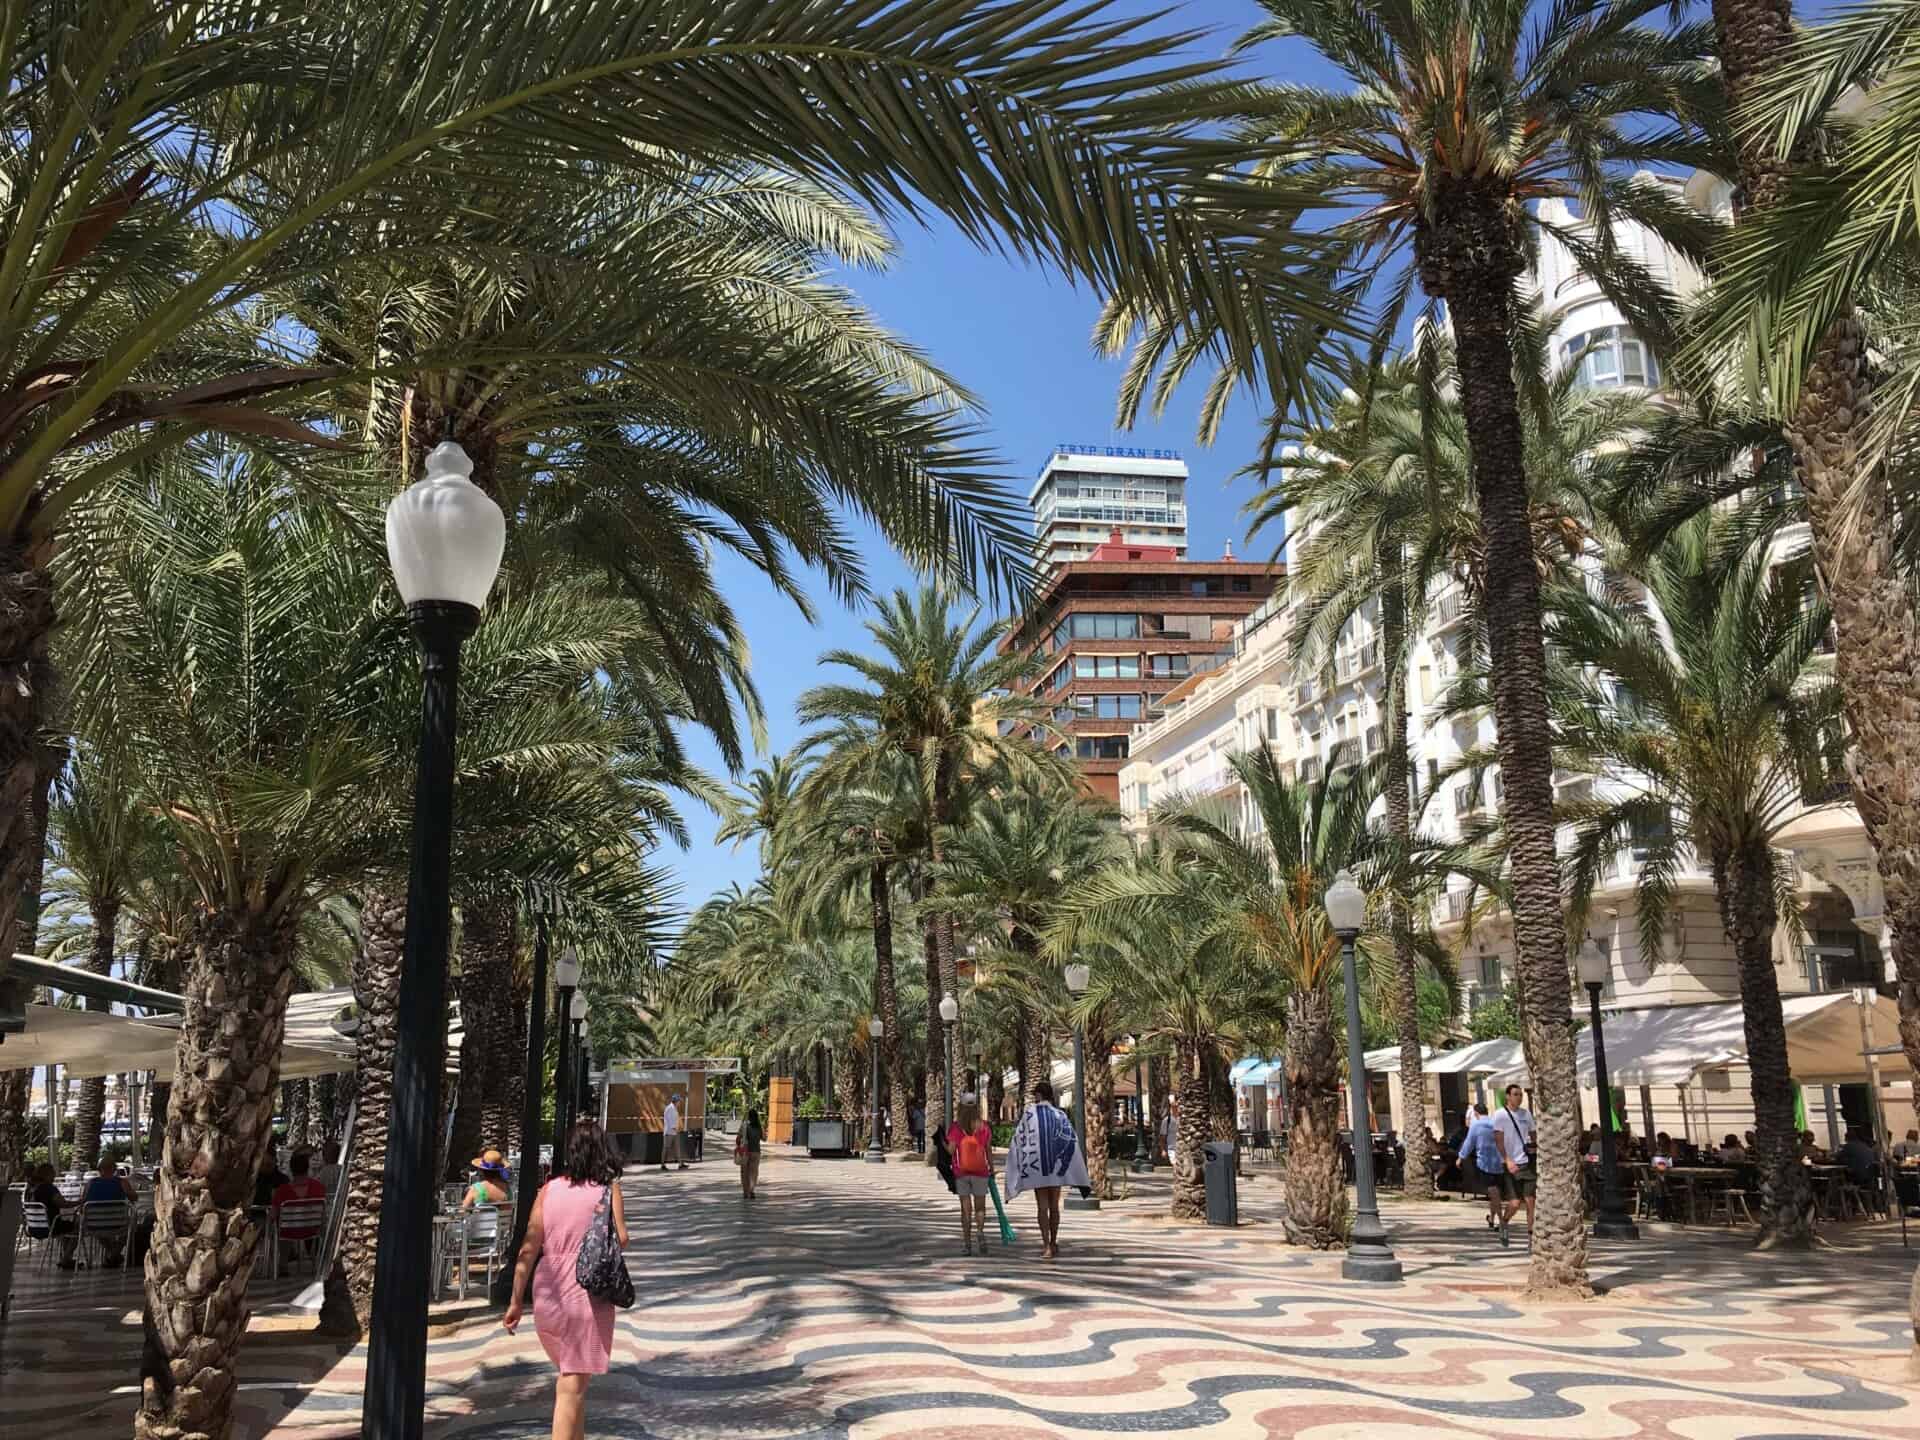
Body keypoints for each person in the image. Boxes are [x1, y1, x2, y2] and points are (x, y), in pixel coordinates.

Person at [504, 1121, 627, 1440]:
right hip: (585, 1291)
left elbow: (529, 1247)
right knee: (571, 1385)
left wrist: (516, 1300)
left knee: (574, 1380)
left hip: (547, 1288)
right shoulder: (606, 1189)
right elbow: (622, 1238)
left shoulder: (549, 1190)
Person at [1004, 1081, 1089, 1261]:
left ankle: (1046, 1245)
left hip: (1038, 1169)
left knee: (1042, 1207)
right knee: (1054, 1206)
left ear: (1038, 1096)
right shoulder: (1060, 1115)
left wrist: (1017, 1167)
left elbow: (1018, 1140)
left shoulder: (1029, 1115)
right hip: (1057, 1169)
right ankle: (1054, 1241)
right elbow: (1070, 1141)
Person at [947, 1093, 994, 1255]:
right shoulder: (984, 1127)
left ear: (960, 1106)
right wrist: (992, 1168)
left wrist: (944, 1145)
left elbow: (951, 1150)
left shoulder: (955, 1127)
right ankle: (980, 1232)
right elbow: (988, 1149)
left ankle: (967, 1244)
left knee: (965, 1209)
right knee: (980, 1207)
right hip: (981, 1171)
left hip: (961, 1172)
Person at [1490, 1084, 1537, 1247]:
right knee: (1515, 1203)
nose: (1519, 1097)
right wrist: (1507, 1159)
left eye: (1520, 1094)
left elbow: (1533, 1134)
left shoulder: (1526, 1114)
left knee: (1531, 1200)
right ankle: (1504, 1222)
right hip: (1510, 1163)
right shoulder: (1500, 1115)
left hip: (1527, 1162)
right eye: (1516, 1094)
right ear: (1508, 1097)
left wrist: (1534, 1145)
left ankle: (1532, 1239)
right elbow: (1498, 1140)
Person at [272, 1151, 328, 1265]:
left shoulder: (282, 1191)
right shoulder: (318, 1188)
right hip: (312, 1230)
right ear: (307, 1168)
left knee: (280, 1226)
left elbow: (272, 1215)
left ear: (291, 1169)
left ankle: (283, 1265)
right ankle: (316, 1262)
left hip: (288, 1232)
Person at [79, 1155, 136, 1266]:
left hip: (93, 1224)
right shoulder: (122, 1182)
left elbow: (83, 1203)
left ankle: (112, 1253)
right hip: (118, 1223)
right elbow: (134, 1198)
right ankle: (114, 1253)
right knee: (133, 1223)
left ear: (99, 1169)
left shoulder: (90, 1183)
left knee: (97, 1227)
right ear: (114, 1169)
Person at [26, 1161, 80, 1269]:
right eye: (53, 1174)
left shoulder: (29, 1189)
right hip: (51, 1227)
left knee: (65, 1226)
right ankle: (66, 1257)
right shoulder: (48, 1188)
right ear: (47, 1175)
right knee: (77, 1224)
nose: (54, 1176)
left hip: (33, 1228)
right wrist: (79, 1201)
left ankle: (67, 1258)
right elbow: (63, 1204)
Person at [1458, 1103, 1500, 1232]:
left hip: (1485, 1163)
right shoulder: (1494, 1123)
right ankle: (1492, 1219)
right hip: (1499, 1161)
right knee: (1495, 1193)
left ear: (1476, 1113)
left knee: (1494, 1192)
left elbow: (1469, 1142)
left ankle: (1501, 1219)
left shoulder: (1476, 1125)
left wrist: (1461, 1157)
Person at [735, 1108, 763, 1199]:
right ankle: (751, 1190)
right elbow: (764, 1138)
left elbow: (738, 1139)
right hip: (756, 1152)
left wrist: (740, 1145)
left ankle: (745, 1192)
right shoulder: (759, 1126)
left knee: (744, 1173)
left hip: (745, 1152)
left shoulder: (744, 1126)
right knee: (754, 1173)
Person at [660, 1093, 685, 1171]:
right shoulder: (670, 1108)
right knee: (666, 1148)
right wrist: (675, 1129)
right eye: (679, 1101)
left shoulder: (673, 1108)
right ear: (676, 1101)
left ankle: (680, 1164)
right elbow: (670, 1122)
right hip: (669, 1132)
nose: (679, 1103)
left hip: (673, 1132)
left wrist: (676, 1130)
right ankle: (663, 1165)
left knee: (677, 1148)